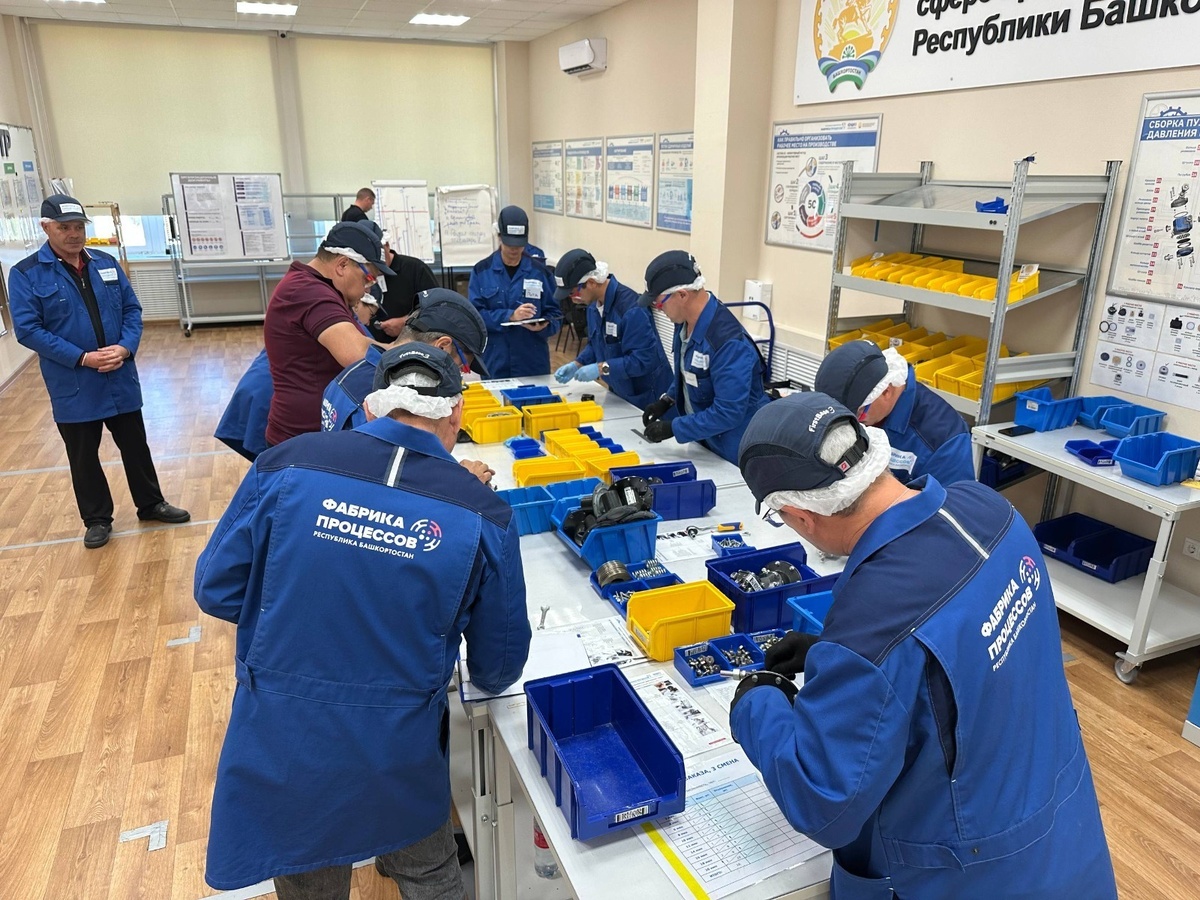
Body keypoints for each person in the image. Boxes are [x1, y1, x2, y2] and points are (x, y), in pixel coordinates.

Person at [729, 392, 1117, 899]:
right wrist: (831, 651)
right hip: (1061, 830)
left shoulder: (872, 624)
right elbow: (955, 637)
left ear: (801, 515)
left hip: (963, 875)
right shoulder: (988, 509)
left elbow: (824, 802)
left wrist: (759, 703)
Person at [194, 343, 531, 898]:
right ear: (456, 413)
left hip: (285, 739)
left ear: (372, 407)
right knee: (428, 873)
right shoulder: (482, 513)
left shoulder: (286, 464)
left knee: (309, 878)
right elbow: (498, 666)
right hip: (397, 749)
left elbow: (216, 588)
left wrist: (304, 613)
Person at [9, 194, 190, 548]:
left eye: (79, 226)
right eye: (65, 227)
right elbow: (29, 330)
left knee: (135, 445)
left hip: (118, 374)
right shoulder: (26, 274)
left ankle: (151, 503)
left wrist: (126, 347)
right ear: (46, 228)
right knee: (82, 455)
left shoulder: (105, 263)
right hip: (74, 381)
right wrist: (82, 358)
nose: (74, 234)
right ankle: (96, 519)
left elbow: (132, 310)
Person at [263, 221, 395, 447]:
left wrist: (398, 348)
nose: (367, 289)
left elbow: (362, 342)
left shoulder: (317, 287)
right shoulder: (309, 292)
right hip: (302, 440)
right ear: (342, 264)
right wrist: (412, 352)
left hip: (314, 433)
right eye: (368, 279)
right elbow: (358, 355)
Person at [637, 250, 770, 464]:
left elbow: (728, 412)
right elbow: (689, 372)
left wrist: (674, 428)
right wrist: (667, 400)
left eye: (659, 303)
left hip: (733, 449)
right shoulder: (684, 322)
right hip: (705, 439)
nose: (658, 310)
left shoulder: (728, 344)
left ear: (682, 295)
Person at [322, 288, 490, 434]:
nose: (457, 376)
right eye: (461, 368)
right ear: (442, 347)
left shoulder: (350, 375)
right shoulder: (386, 399)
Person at [815, 339, 974, 486]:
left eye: (859, 414)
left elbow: (950, 503)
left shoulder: (944, 440)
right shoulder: (870, 408)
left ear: (886, 391)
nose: (853, 423)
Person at [552, 248, 672, 410]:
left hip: (648, 396)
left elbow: (643, 360)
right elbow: (597, 344)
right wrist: (578, 363)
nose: (572, 300)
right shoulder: (593, 307)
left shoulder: (631, 310)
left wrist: (601, 369)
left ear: (591, 283)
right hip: (619, 389)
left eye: (573, 293)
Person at [468, 205, 561, 378]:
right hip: (495, 360)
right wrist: (510, 316)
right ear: (499, 236)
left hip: (532, 360)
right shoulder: (482, 271)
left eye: (519, 244)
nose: (514, 249)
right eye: (509, 243)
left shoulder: (540, 272)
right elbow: (475, 317)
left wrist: (543, 327)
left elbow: (555, 315)